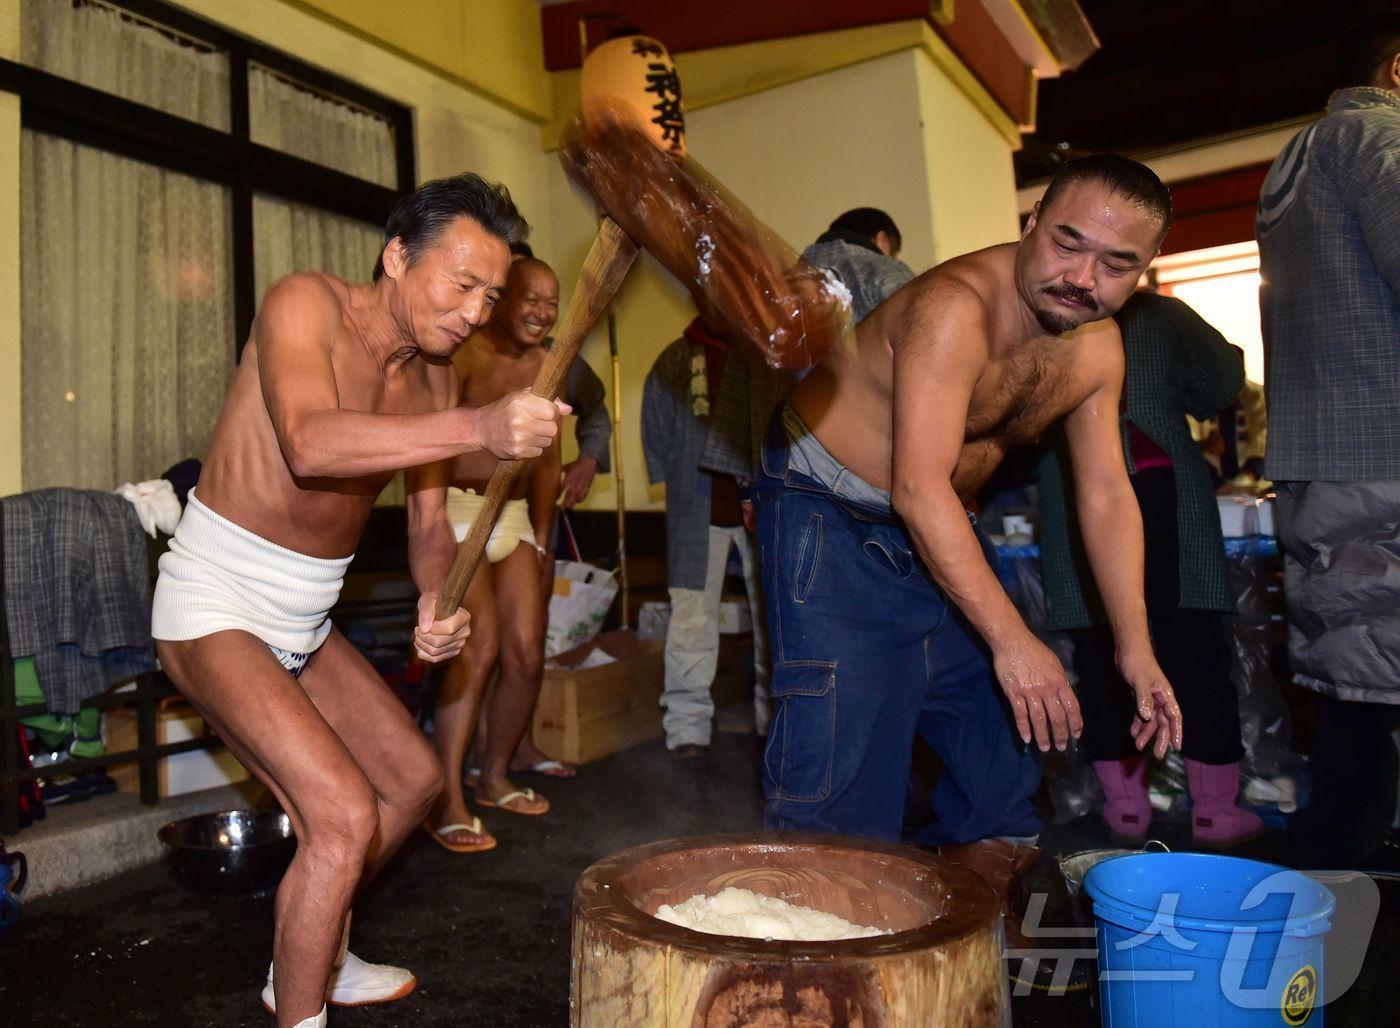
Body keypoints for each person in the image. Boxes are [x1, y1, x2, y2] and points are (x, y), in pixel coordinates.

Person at [150, 174, 566, 1028]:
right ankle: (300, 1010)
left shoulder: (438, 380)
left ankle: (313, 953)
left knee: (411, 783)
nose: (474, 312)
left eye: (491, 294)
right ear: (396, 257)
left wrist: (432, 599)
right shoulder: (304, 304)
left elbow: (425, 526)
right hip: (216, 599)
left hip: (304, 617)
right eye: (462, 285)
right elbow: (309, 442)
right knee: (341, 815)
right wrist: (480, 430)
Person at [754, 155, 1184, 944]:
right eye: (1068, 243)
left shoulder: (1098, 351)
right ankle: (829, 937)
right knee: (845, 745)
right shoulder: (957, 310)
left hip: (943, 516)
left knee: (1008, 732)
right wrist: (1014, 640)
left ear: (1142, 275)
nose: (1083, 277)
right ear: (1030, 226)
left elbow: (1106, 494)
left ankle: (969, 914)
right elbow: (917, 486)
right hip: (831, 504)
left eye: (1117, 264)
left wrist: (1137, 646)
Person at [1038, 290, 1261, 847]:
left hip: (1073, 493)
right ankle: (1213, 810)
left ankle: (1126, 809)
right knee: (1194, 649)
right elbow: (1221, 383)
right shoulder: (1160, 314)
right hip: (1164, 487)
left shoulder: (1038, 316)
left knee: (1100, 651)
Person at [1257, 11, 1400, 869]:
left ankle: (1336, 861)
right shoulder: (1378, 139)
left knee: (1353, 683)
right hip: (1387, 449)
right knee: (1374, 680)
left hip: (1321, 455)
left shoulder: (1295, 157)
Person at [423, 257, 565, 852]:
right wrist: (427, 521)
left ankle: (494, 773)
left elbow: (549, 461)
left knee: (527, 653)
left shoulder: (546, 366)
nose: (541, 312)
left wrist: (543, 539)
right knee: (475, 650)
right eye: (530, 298)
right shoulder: (463, 354)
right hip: (456, 512)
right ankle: (445, 797)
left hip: (512, 515)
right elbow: (430, 443)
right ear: (503, 300)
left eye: (551, 303)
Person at [643, 310, 771, 758]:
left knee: (773, 622)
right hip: (696, 510)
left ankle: (773, 723)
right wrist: (672, 477)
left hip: (764, 509)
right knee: (691, 620)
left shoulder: (762, 354)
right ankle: (686, 728)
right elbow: (656, 427)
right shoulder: (676, 359)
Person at [800, 207, 915, 323]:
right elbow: (916, 324)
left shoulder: (791, 274)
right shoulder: (889, 269)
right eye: (894, 254)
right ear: (882, 240)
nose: (895, 259)